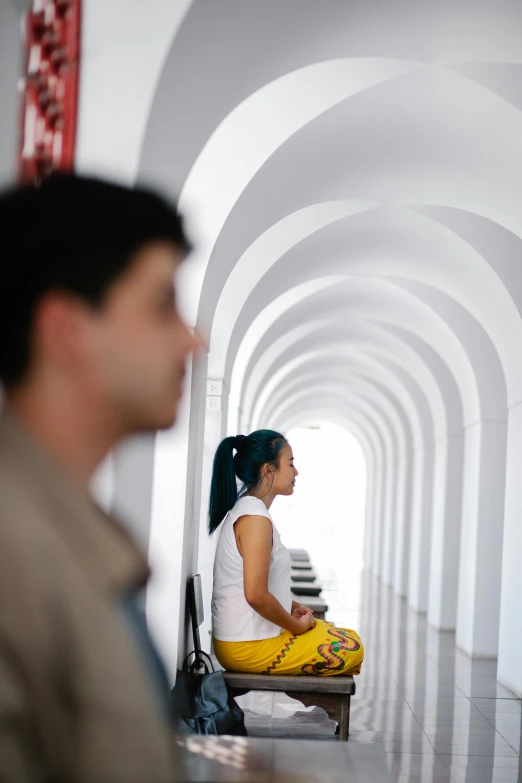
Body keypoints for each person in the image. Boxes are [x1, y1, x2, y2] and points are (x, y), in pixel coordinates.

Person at [0, 173, 198, 782]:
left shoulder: (59, 524)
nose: (193, 338)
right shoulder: (13, 547)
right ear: (66, 329)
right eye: (163, 304)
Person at [209, 430, 364, 677]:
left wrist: (291, 607)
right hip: (245, 646)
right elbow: (255, 595)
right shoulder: (254, 519)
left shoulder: (252, 512)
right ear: (268, 470)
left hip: (245, 638)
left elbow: (256, 587)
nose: (296, 472)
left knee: (347, 637)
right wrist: (296, 627)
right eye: (290, 464)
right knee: (351, 647)